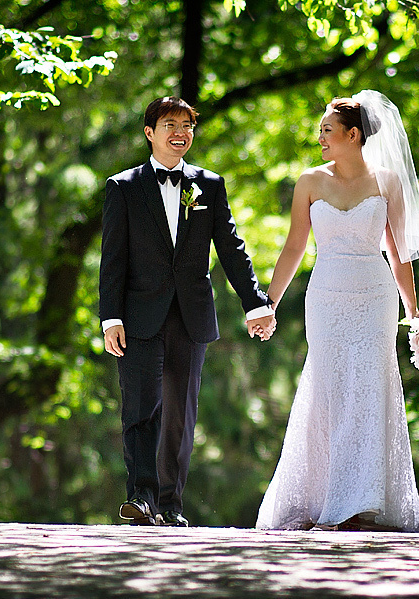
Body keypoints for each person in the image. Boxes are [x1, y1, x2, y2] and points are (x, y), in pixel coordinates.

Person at [255, 91, 419, 532]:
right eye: (320, 130)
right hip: (325, 297)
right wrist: (269, 304)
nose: (320, 137)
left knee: (369, 389)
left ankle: (363, 501)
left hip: (375, 298)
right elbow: (294, 247)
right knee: (330, 387)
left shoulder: (388, 182)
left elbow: (399, 255)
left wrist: (414, 315)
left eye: (327, 130)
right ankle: (324, 496)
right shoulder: (310, 181)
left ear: (352, 135)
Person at [100, 96, 276, 527]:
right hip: (138, 315)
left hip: (191, 314)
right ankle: (140, 498)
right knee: (141, 407)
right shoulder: (122, 187)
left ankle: (170, 503)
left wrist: (255, 301)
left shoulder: (208, 185)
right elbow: (113, 258)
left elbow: (232, 249)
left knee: (180, 412)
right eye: (170, 125)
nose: (180, 133)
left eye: (187, 126)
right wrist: (111, 317)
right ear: (149, 132)